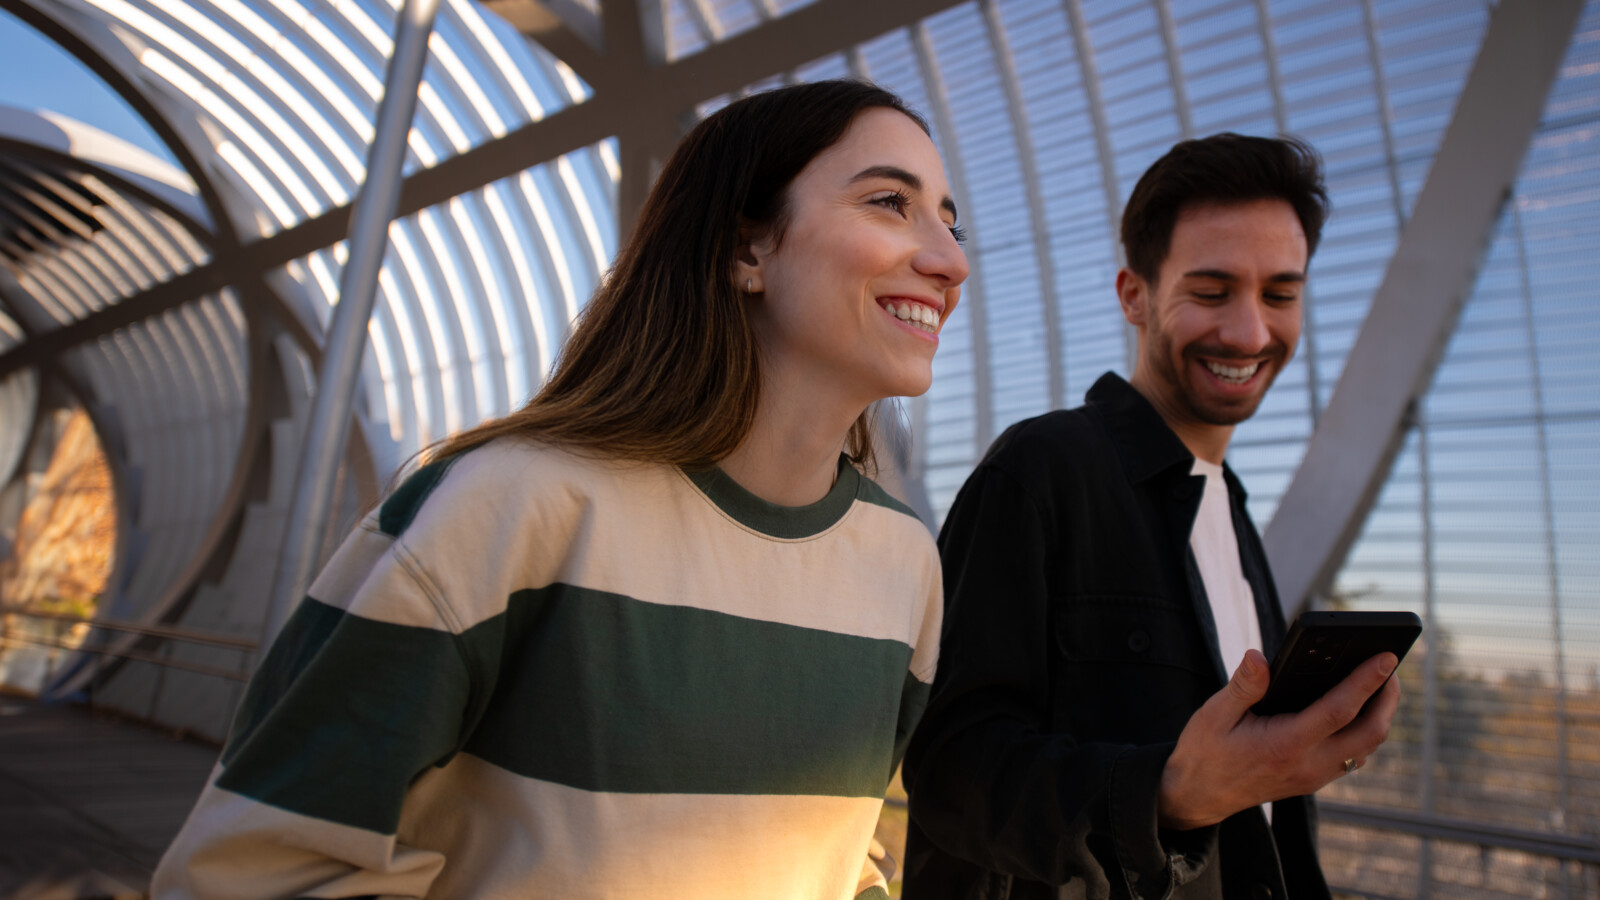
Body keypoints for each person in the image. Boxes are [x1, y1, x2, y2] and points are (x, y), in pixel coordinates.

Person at [152, 79, 968, 900]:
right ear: (746, 250)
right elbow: (252, 870)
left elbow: (836, 857)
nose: (950, 261)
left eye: (948, 219)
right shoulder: (509, 506)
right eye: (891, 202)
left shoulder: (903, 566)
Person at [901, 134, 1400, 900]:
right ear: (1135, 295)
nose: (1248, 333)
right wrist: (1166, 795)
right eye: (1211, 291)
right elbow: (949, 774)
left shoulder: (1228, 510)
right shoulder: (1038, 471)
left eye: (1279, 294)